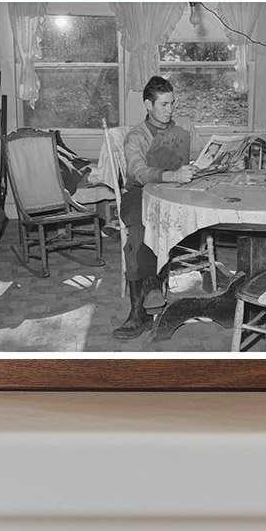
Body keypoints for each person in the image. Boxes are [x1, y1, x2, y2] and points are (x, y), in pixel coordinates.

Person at [112, 75, 201, 340]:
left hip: (176, 194)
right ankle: (140, 310)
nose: (170, 110)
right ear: (148, 105)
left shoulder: (184, 127)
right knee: (139, 228)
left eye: (172, 103)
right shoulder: (137, 136)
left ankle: (153, 291)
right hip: (140, 195)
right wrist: (171, 175)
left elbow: (201, 154)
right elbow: (137, 172)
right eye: (163, 104)